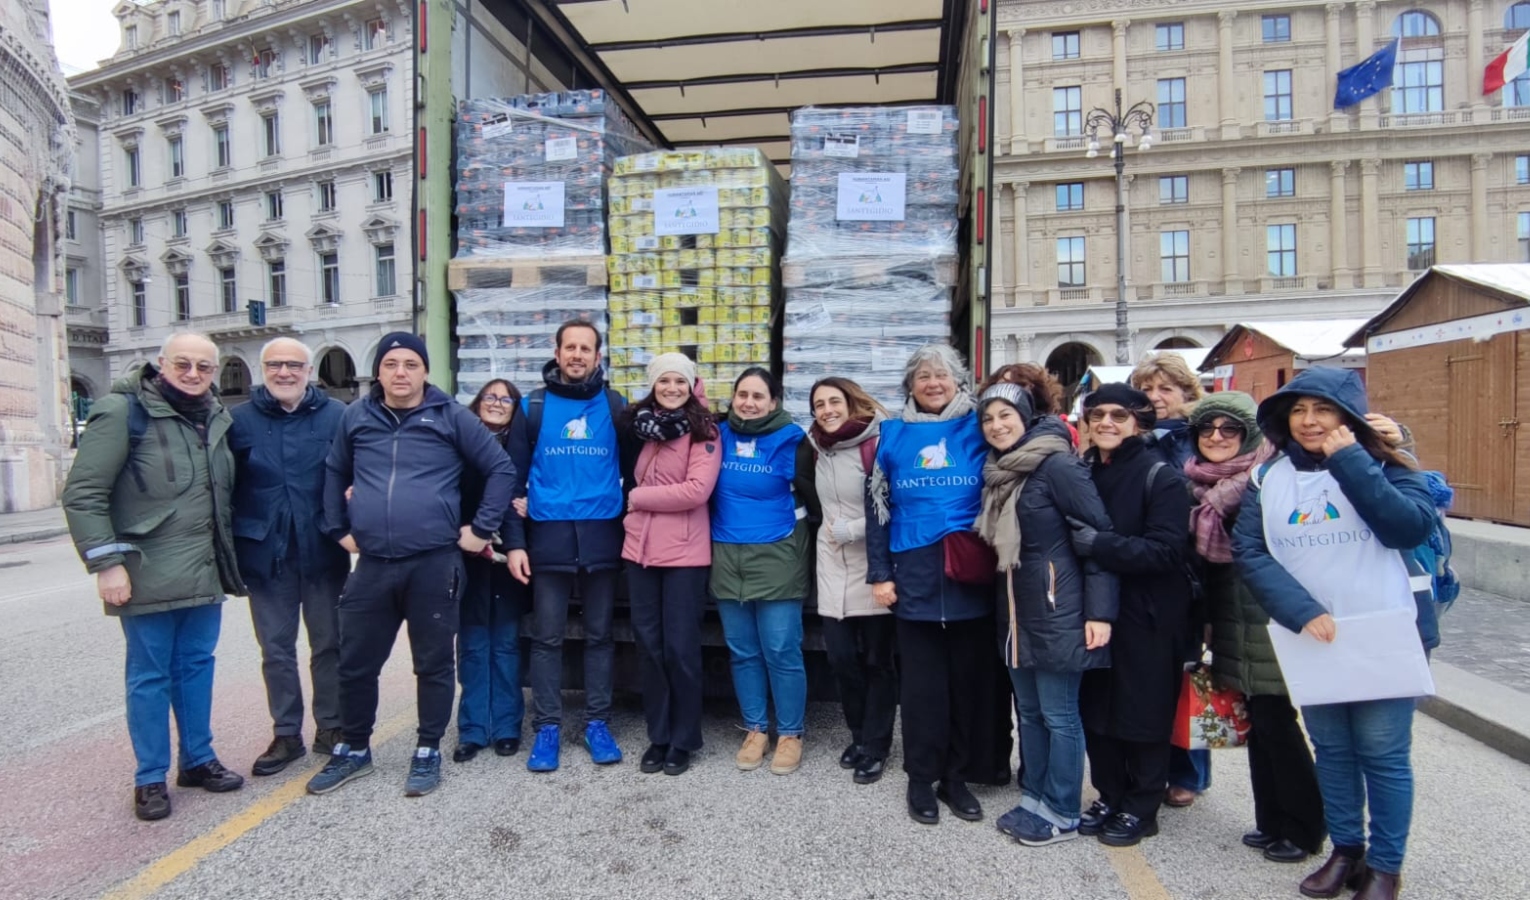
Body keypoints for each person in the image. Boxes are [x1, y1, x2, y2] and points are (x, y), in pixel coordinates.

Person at [1233, 368, 1437, 900]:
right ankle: (1346, 850)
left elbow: (1407, 527)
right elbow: (1250, 549)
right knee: (1333, 749)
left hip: (1384, 629)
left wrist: (1351, 462)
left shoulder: (1389, 465)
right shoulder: (1269, 477)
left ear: (1347, 415)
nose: (1309, 421)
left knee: (1383, 751)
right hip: (1312, 634)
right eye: (1298, 410)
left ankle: (1386, 865)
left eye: (1322, 409)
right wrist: (1299, 611)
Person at [309, 332, 515, 798]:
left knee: (434, 663)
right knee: (356, 663)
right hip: (374, 564)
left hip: (434, 563)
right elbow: (334, 471)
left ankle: (427, 750)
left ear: (425, 371)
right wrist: (337, 529)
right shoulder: (355, 417)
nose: (400, 373)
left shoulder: (451, 417)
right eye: (391, 364)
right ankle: (354, 748)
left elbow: (501, 469)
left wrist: (480, 529)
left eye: (410, 364)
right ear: (378, 372)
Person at [63, 332, 247, 821]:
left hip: (203, 568)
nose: (193, 374)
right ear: (161, 364)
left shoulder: (214, 416)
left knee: (196, 668)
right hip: (145, 570)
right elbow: (83, 494)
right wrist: (105, 563)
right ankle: (149, 778)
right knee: (148, 677)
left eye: (204, 368)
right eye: (182, 364)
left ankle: (198, 760)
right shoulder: (122, 411)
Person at [1185, 391, 1325, 866]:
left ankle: (1305, 828)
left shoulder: (1270, 477)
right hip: (1233, 615)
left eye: (1229, 429)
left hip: (1270, 616)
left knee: (1277, 723)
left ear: (1251, 434)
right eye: (1207, 429)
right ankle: (1271, 821)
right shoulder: (1205, 487)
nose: (1217, 437)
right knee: (1259, 724)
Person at [975, 381, 1117, 847]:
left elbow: (1098, 538)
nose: (997, 426)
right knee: (1030, 715)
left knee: (1060, 715)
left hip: (1060, 607)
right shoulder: (1000, 471)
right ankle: (1034, 796)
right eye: (988, 419)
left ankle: (1062, 810)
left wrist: (1099, 612)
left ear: (1026, 417)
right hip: (1016, 611)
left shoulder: (1057, 466)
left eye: (1005, 416)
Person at [865, 344, 1001, 825]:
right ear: (910, 385)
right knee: (922, 690)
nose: (932, 383)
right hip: (914, 576)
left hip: (969, 574)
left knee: (966, 686)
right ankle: (920, 778)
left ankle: (956, 778)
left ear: (959, 382)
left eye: (942, 375)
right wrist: (879, 574)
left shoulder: (979, 428)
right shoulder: (893, 434)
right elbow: (877, 509)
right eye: (923, 376)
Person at [1067, 384, 1193, 848]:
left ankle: (1142, 805)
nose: (1105, 423)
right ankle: (1109, 794)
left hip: (1149, 613)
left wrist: (1100, 546)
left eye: (1117, 415)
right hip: (1097, 610)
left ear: (1139, 421)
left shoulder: (1160, 476)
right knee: (1098, 709)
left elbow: (1166, 549)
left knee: (1143, 713)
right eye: (1096, 414)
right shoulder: (1085, 471)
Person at [503, 318, 631, 773]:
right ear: (556, 354)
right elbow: (512, 480)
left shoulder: (616, 407)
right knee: (547, 638)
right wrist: (515, 543)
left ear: (598, 357)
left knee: (600, 636)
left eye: (586, 348)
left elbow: (636, 476)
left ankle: (597, 722)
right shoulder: (532, 407)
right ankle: (548, 728)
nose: (577, 355)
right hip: (549, 538)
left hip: (601, 537)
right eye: (570, 347)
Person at [229, 337, 349, 777]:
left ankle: (331, 728)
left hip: (322, 550)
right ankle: (286, 734)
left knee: (330, 645)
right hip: (265, 555)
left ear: (309, 371)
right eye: (276, 365)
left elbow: (356, 475)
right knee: (276, 649)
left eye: (294, 365)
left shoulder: (337, 416)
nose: (285, 373)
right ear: (263, 370)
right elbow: (224, 487)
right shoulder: (238, 421)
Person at [711, 367, 817, 776]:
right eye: (742, 394)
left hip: (778, 555)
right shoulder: (717, 435)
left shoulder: (793, 440)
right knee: (742, 651)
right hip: (726, 556)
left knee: (781, 650)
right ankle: (756, 729)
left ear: (774, 401)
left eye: (758, 396)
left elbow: (813, 497)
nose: (748, 402)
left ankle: (790, 733)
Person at [622, 354, 721, 777]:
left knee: (680, 649)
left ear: (691, 384)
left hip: (684, 554)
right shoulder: (641, 427)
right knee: (649, 646)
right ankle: (658, 736)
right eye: (664, 380)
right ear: (653, 384)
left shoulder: (704, 430)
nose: (672, 387)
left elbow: (696, 491)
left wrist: (638, 498)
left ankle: (684, 740)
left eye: (680, 380)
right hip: (639, 552)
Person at [1129, 352, 1210, 807]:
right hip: (1149, 569)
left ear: (1186, 394)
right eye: (1147, 390)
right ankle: (1152, 765)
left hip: (1190, 571)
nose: (1156, 398)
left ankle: (1190, 772)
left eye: (1166, 389)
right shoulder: (1140, 438)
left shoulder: (1198, 439)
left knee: (1188, 678)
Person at [805, 376, 894, 785]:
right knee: (842, 659)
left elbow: (895, 501)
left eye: (834, 401)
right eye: (819, 404)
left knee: (877, 661)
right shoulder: (817, 448)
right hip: (832, 564)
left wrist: (856, 529)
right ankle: (858, 736)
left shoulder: (875, 442)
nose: (827, 410)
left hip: (871, 564)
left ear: (850, 402)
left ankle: (875, 745)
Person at [452, 379, 529, 763]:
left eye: (506, 399)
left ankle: (506, 727)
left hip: (508, 558)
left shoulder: (520, 447)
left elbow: (518, 498)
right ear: (477, 401)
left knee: (506, 644)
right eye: (490, 396)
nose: (497, 403)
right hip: (465, 554)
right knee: (472, 645)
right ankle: (472, 729)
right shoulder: (456, 443)